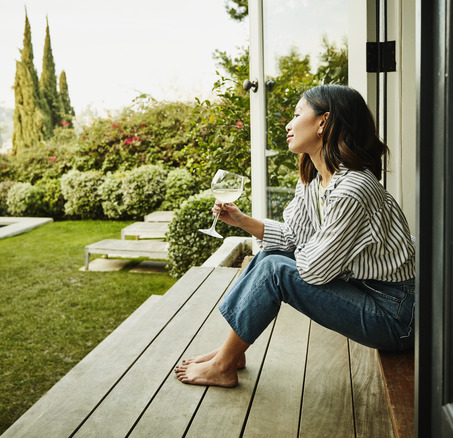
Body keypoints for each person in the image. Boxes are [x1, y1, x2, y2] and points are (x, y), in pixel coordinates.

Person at [174, 84, 416, 387]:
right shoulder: (314, 179)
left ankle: (224, 363)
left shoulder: (353, 188)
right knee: (270, 257)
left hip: (396, 316)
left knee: (275, 268)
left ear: (323, 122)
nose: (289, 124)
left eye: (298, 113)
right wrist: (243, 222)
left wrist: (304, 247)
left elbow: (314, 270)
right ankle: (232, 353)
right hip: (365, 292)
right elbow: (294, 238)